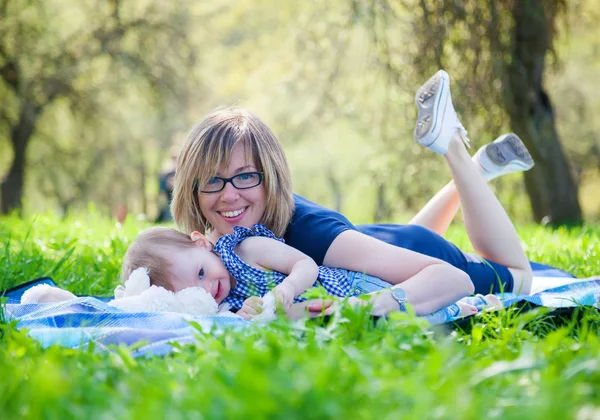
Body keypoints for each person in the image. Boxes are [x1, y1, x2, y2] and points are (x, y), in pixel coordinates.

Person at [171, 70, 534, 317]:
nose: (228, 196)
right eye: (212, 181)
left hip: (425, 254)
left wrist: (361, 308)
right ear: (193, 189)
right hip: (380, 241)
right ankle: (479, 170)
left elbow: (454, 280)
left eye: (245, 177)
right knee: (387, 251)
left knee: (520, 275)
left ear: (272, 178)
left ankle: (453, 145)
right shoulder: (214, 244)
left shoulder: (312, 234)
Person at [120, 224, 496, 322]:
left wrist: (287, 290)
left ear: (201, 243)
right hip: (333, 312)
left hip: (355, 286)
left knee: (416, 304)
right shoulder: (226, 304)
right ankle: (462, 312)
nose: (210, 287)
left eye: (201, 272)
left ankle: (475, 300)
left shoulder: (242, 249)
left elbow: (305, 264)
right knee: (415, 325)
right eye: (197, 290)